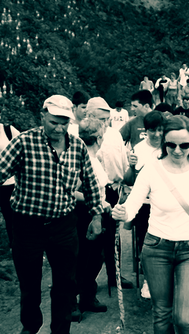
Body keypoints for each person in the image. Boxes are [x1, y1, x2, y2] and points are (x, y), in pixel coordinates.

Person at [112, 115, 189, 333]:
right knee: (161, 314)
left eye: (184, 145)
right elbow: (133, 204)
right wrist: (123, 212)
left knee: (184, 319)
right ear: (164, 143)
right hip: (157, 247)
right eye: (171, 145)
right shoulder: (151, 169)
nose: (177, 150)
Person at [0, 95, 103, 334]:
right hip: (28, 226)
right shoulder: (24, 142)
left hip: (64, 226)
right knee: (29, 285)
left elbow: (90, 184)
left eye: (64, 123)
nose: (58, 128)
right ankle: (31, 326)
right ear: (42, 116)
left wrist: (96, 216)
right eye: (54, 122)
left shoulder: (77, 146)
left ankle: (60, 329)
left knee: (66, 285)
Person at [85, 97, 132, 291]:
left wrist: (123, 187)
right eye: (100, 118)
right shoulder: (82, 134)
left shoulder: (114, 134)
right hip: (90, 193)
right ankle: (88, 283)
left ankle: (115, 276)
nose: (104, 123)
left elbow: (122, 162)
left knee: (114, 236)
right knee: (93, 240)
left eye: (107, 118)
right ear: (89, 116)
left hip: (113, 190)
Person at [72, 118, 112, 321]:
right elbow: (71, 191)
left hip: (98, 214)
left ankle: (88, 296)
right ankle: (71, 302)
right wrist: (96, 202)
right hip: (84, 215)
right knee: (81, 260)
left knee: (95, 259)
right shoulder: (82, 159)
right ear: (98, 137)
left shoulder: (94, 157)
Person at [123, 111, 165, 299]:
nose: (156, 134)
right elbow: (129, 181)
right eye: (152, 131)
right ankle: (149, 279)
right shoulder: (138, 149)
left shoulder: (169, 146)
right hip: (144, 204)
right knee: (145, 242)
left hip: (166, 202)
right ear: (145, 131)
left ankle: (166, 278)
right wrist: (131, 166)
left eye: (160, 130)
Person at [0, 109, 20, 247]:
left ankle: (16, 246)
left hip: (10, 184)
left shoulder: (7, 130)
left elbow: (24, 148)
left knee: (11, 218)